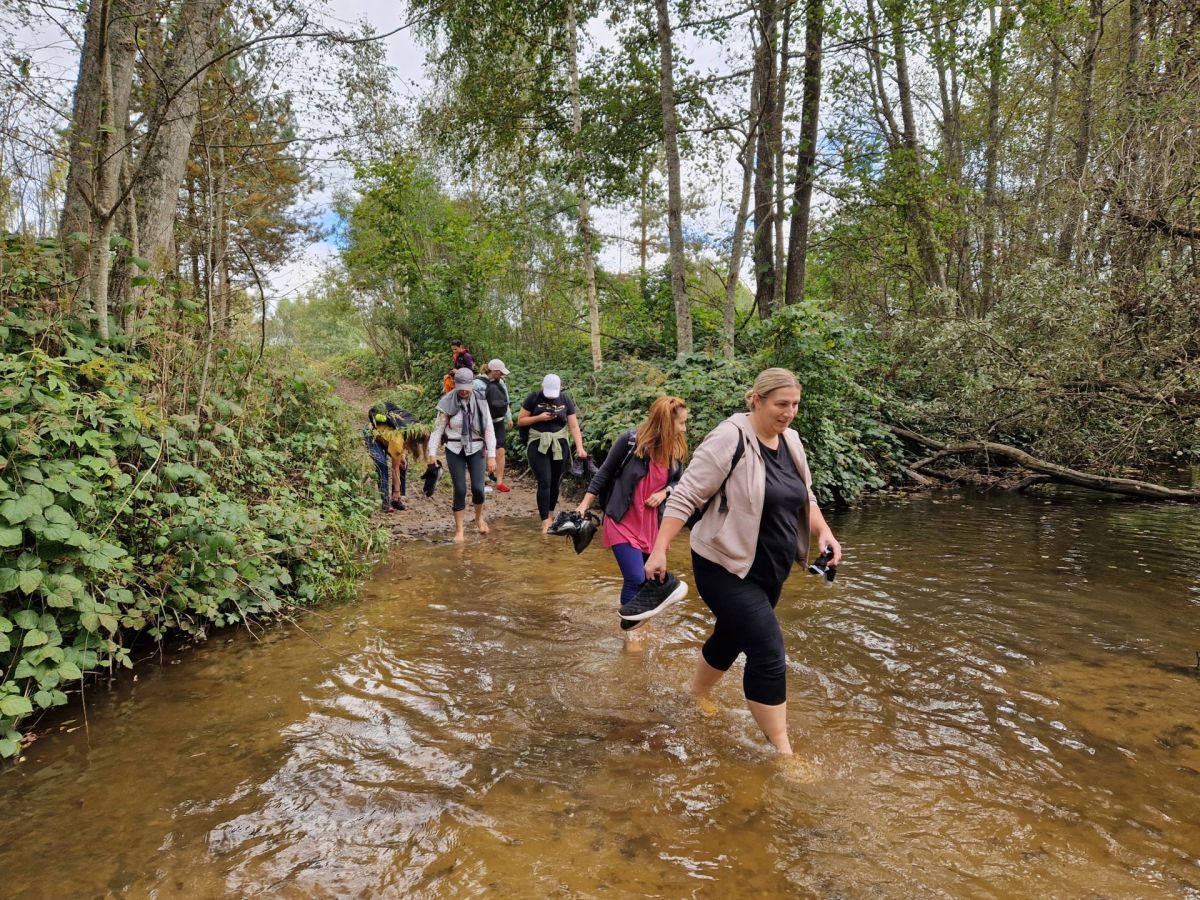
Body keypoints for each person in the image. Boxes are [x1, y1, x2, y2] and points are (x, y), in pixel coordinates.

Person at [644, 368, 842, 756]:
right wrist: (659, 548)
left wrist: (824, 533)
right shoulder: (729, 438)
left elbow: (805, 496)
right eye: (781, 404)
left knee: (732, 635)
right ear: (757, 400)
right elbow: (685, 495)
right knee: (768, 653)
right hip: (723, 566)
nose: (789, 412)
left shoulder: (792, 441)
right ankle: (782, 753)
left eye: (795, 405)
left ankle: (695, 694)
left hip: (771, 568)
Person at [576, 396, 689, 635]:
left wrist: (665, 492)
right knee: (635, 577)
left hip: (651, 524)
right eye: (681, 423)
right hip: (621, 519)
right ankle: (631, 634)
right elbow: (604, 473)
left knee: (650, 579)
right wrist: (584, 505)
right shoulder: (629, 441)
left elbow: (680, 482)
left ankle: (640, 626)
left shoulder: (676, 449)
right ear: (666, 423)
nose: (684, 429)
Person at [427, 367, 497, 541]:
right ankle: (459, 530)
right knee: (460, 489)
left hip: (476, 447)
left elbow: (489, 429)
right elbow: (437, 430)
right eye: (461, 387)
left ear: (472, 384)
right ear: (455, 385)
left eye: (467, 387)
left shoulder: (481, 401)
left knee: (478, 489)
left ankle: (479, 518)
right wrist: (432, 453)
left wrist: (492, 456)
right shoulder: (446, 402)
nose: (464, 391)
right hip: (454, 448)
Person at [517, 373, 587, 533]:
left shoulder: (565, 399)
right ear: (543, 387)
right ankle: (544, 521)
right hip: (538, 443)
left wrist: (580, 447)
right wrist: (539, 418)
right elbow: (521, 421)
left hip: (559, 443)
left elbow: (573, 426)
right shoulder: (533, 398)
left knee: (555, 481)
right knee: (545, 481)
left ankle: (550, 514)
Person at [479, 359, 513, 492]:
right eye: (500, 372)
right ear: (493, 371)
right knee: (482, 451)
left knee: (501, 450)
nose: (502, 375)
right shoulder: (479, 383)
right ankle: (481, 480)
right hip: (483, 422)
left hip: (498, 421)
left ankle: (499, 482)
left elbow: (506, 400)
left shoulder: (501, 382)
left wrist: (509, 417)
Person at [364, 411, 407, 512]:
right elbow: (395, 468)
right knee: (382, 465)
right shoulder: (398, 441)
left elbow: (403, 452)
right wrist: (397, 489)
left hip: (387, 438)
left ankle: (396, 500)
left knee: (403, 464)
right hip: (372, 434)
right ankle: (385, 502)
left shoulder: (407, 434)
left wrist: (403, 457)